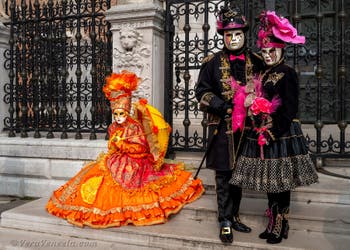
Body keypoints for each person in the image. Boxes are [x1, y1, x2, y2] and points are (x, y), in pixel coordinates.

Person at [46, 70, 204, 228]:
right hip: (116, 159)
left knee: (128, 182)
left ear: (127, 111)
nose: (118, 117)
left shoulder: (134, 127)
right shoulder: (113, 126)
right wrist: (114, 143)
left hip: (135, 162)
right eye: (115, 114)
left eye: (121, 113)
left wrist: (121, 143)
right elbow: (112, 147)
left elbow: (140, 149)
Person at [229, 11, 319, 244]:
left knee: (282, 182)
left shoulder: (287, 73)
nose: (268, 55)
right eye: (265, 52)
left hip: (281, 134)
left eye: (273, 51)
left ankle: (281, 224)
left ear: (281, 50)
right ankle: (272, 222)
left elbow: (289, 109)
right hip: (260, 134)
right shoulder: (263, 72)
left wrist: (272, 131)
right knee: (271, 181)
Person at [195, 4, 263, 244]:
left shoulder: (256, 61)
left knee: (239, 174)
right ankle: (224, 220)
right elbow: (201, 92)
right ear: (223, 36)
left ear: (245, 34)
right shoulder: (211, 62)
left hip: (249, 129)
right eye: (228, 35)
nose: (233, 39)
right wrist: (221, 105)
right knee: (224, 175)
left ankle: (234, 216)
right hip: (223, 128)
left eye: (238, 34)